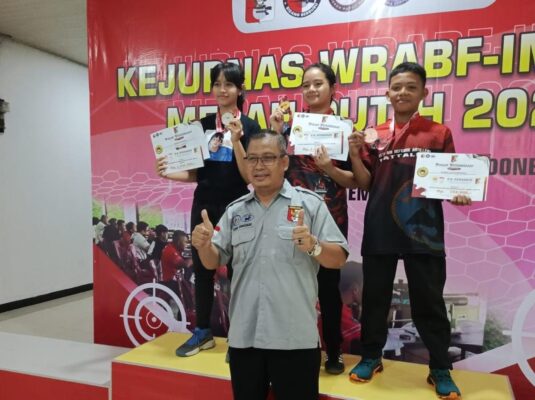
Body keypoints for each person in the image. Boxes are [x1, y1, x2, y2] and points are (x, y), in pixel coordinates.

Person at [192, 130, 349, 400]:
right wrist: (204, 245)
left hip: (294, 339)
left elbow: (339, 258)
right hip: (245, 337)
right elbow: (212, 261)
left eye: (267, 158)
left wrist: (314, 245)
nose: (258, 166)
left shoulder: (309, 205)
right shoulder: (235, 210)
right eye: (252, 159)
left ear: (284, 162)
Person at [347, 62, 471, 400]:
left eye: (411, 87)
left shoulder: (438, 132)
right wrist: (355, 154)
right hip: (380, 225)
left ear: (423, 93)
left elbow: (450, 180)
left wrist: (458, 193)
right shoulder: (373, 134)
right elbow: (366, 182)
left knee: (429, 301)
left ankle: (440, 368)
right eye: (397, 87)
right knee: (374, 298)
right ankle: (371, 357)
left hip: (423, 229)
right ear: (388, 93)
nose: (403, 92)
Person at [156, 62, 261, 357]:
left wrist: (237, 140)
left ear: (240, 89)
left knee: (238, 272)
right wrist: (166, 172)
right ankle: (202, 332)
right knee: (202, 270)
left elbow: (249, 177)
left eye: (228, 84)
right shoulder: (201, 126)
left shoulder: (251, 127)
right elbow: (194, 174)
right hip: (203, 205)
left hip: (238, 205)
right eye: (217, 84)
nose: (222, 90)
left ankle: (239, 337)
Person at [270, 62, 358, 374]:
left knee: (328, 288)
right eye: (306, 85)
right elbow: (274, 167)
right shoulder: (291, 129)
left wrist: (329, 168)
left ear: (333, 89)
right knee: (289, 285)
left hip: (330, 218)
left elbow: (356, 181)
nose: (311, 89)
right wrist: (276, 130)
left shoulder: (345, 130)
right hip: (292, 217)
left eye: (318, 83)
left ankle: (333, 350)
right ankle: (290, 349)